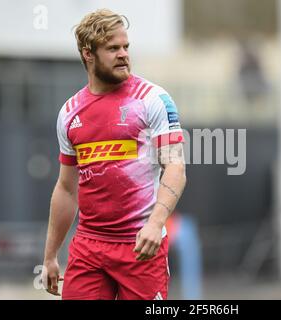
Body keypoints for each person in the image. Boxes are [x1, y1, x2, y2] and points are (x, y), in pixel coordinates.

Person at [42, 9, 186, 300]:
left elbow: (175, 166)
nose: (123, 54)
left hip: (141, 247)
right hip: (88, 248)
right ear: (88, 54)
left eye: (126, 47)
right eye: (113, 48)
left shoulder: (153, 99)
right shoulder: (69, 114)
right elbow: (67, 189)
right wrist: (50, 256)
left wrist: (156, 223)